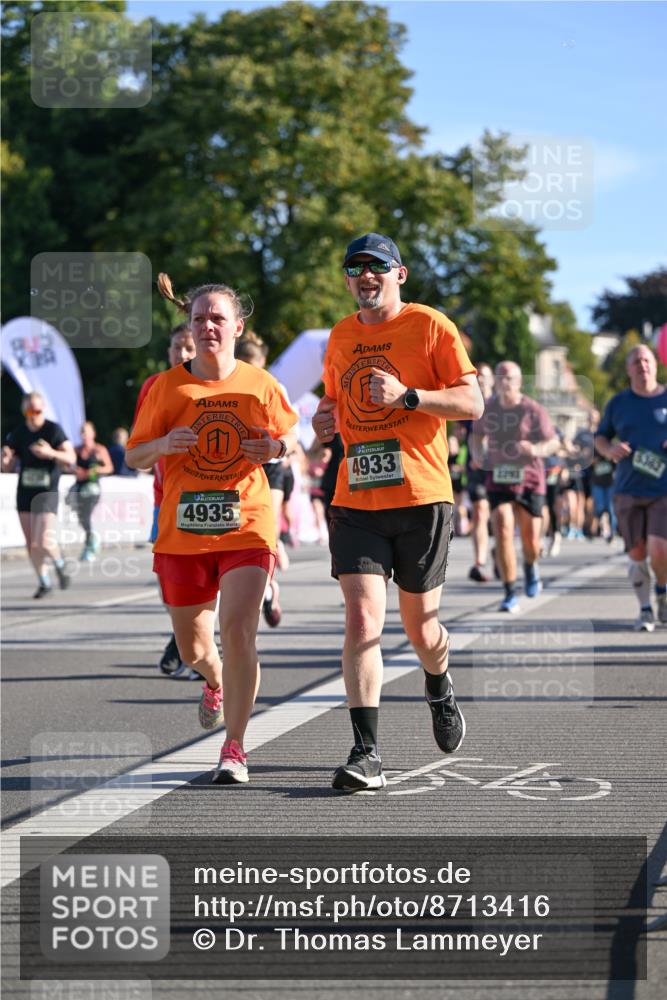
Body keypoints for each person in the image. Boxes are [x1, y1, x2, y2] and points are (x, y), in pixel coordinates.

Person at [312, 232, 484, 793]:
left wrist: (408, 396)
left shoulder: (431, 326)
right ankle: (367, 754)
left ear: (398, 274)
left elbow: (472, 403)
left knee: (422, 628)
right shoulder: (339, 335)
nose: (365, 275)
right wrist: (322, 418)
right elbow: (333, 399)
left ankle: (438, 682)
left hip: (422, 497)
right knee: (362, 622)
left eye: (376, 267)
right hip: (356, 498)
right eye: (354, 267)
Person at [126, 273, 297, 784]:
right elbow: (134, 455)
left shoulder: (261, 384)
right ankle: (214, 680)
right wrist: (162, 445)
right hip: (182, 533)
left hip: (246, 525)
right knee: (193, 649)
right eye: (199, 319)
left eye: (217, 318)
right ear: (190, 328)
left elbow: (293, 439)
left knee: (238, 630)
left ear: (237, 327)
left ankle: (235, 747)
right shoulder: (165, 387)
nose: (207, 327)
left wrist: (275, 449)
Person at [133, 323, 197, 676]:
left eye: (188, 348)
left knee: (205, 580)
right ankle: (180, 635)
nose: (182, 354)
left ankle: (196, 646)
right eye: (176, 347)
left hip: (212, 496)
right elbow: (139, 445)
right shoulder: (154, 386)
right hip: (166, 498)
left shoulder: (220, 381)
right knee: (169, 581)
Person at [472, 361, 558, 613]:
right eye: (500, 377)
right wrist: (477, 454)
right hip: (499, 478)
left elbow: (553, 442)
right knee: (501, 526)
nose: (504, 381)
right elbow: (476, 434)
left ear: (519, 382)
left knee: (531, 541)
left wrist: (536, 449)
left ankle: (531, 567)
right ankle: (510, 591)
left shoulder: (533, 410)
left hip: (530, 480)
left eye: (509, 377)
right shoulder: (488, 408)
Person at [595, 344, 667, 631]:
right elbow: (600, 437)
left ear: (655, 364)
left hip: (663, 488)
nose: (642, 365)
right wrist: (609, 449)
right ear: (628, 369)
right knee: (637, 552)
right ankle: (645, 609)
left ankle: (662, 591)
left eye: (646, 360)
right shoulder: (618, 403)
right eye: (636, 361)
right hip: (627, 487)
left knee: (660, 549)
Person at [234, 330, 296, 625]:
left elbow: (290, 431)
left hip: (272, 464)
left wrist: (280, 448)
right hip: (240, 465)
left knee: (265, 528)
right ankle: (268, 585)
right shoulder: (228, 385)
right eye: (242, 363)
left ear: (263, 362)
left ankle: (268, 580)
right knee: (240, 534)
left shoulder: (273, 386)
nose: (247, 369)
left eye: (252, 363)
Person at [2, 392, 74, 597]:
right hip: (25, 491)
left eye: (37, 410)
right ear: (24, 411)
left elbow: (71, 457)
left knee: (42, 541)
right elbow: (8, 467)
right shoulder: (18, 433)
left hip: (46, 491)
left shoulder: (53, 430)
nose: (33, 415)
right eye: (29, 411)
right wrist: (5, 459)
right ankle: (44, 582)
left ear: (43, 409)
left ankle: (60, 564)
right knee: (31, 543)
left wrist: (50, 453)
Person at [466, 363, 494, 582]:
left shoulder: (502, 403)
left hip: (502, 467)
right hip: (477, 466)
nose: (481, 380)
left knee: (503, 514)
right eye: (478, 376)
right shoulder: (470, 401)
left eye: (485, 376)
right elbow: (464, 431)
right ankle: (480, 561)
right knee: (480, 511)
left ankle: (501, 550)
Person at [71, 421, 114, 561]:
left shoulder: (99, 450)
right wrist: (73, 470)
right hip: (79, 487)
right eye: (82, 432)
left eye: (86, 432)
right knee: (81, 518)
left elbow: (109, 468)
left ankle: (90, 546)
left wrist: (94, 471)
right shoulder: (76, 450)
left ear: (93, 434)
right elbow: (67, 466)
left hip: (93, 488)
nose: (84, 435)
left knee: (86, 515)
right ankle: (92, 538)